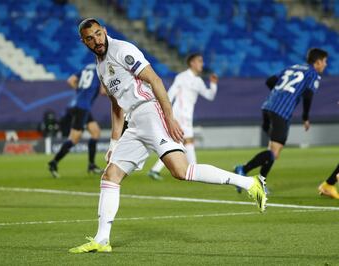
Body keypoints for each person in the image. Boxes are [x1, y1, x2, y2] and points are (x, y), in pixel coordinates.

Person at [69, 18, 267, 254]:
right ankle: (102, 240)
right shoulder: (100, 66)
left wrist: (170, 117)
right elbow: (116, 107)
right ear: (84, 42)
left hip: (151, 113)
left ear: (105, 32)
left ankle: (250, 183)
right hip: (134, 123)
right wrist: (114, 142)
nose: (96, 40)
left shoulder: (123, 50)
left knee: (181, 171)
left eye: (98, 34)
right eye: (90, 38)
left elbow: (154, 80)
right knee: (110, 175)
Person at [234, 48, 328, 193]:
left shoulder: (293, 67)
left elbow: (270, 81)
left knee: (271, 150)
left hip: (268, 106)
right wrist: (305, 117)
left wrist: (281, 93)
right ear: (317, 62)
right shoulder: (313, 74)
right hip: (281, 112)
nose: (325, 65)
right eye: (324, 61)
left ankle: (259, 181)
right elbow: (308, 95)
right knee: (274, 153)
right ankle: (243, 169)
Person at [147, 53, 218, 180]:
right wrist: (166, 111)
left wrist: (213, 85)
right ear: (192, 63)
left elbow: (209, 96)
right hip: (179, 114)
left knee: (178, 143)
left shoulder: (198, 81)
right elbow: (171, 93)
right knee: (187, 141)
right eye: (199, 61)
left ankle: (155, 170)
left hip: (187, 116)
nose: (202, 64)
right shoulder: (182, 77)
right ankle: (195, 169)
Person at [48, 63, 104, 178]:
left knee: (95, 132)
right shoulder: (101, 71)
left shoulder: (88, 67)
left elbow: (71, 80)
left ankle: (92, 165)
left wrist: (80, 91)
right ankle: (54, 162)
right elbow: (103, 91)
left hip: (78, 105)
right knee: (74, 139)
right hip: (82, 109)